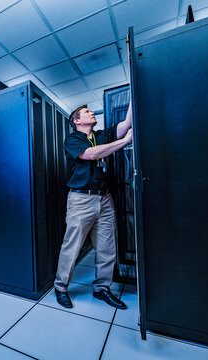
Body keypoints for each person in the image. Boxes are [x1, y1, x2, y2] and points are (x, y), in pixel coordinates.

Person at [54, 103, 132, 309]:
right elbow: (89, 154)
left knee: (107, 247)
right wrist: (124, 142)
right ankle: (60, 287)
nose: (92, 113)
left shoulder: (101, 135)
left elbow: (127, 123)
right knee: (72, 246)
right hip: (81, 199)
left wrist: (134, 88)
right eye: (87, 112)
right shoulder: (72, 140)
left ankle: (102, 289)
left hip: (105, 199)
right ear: (77, 121)